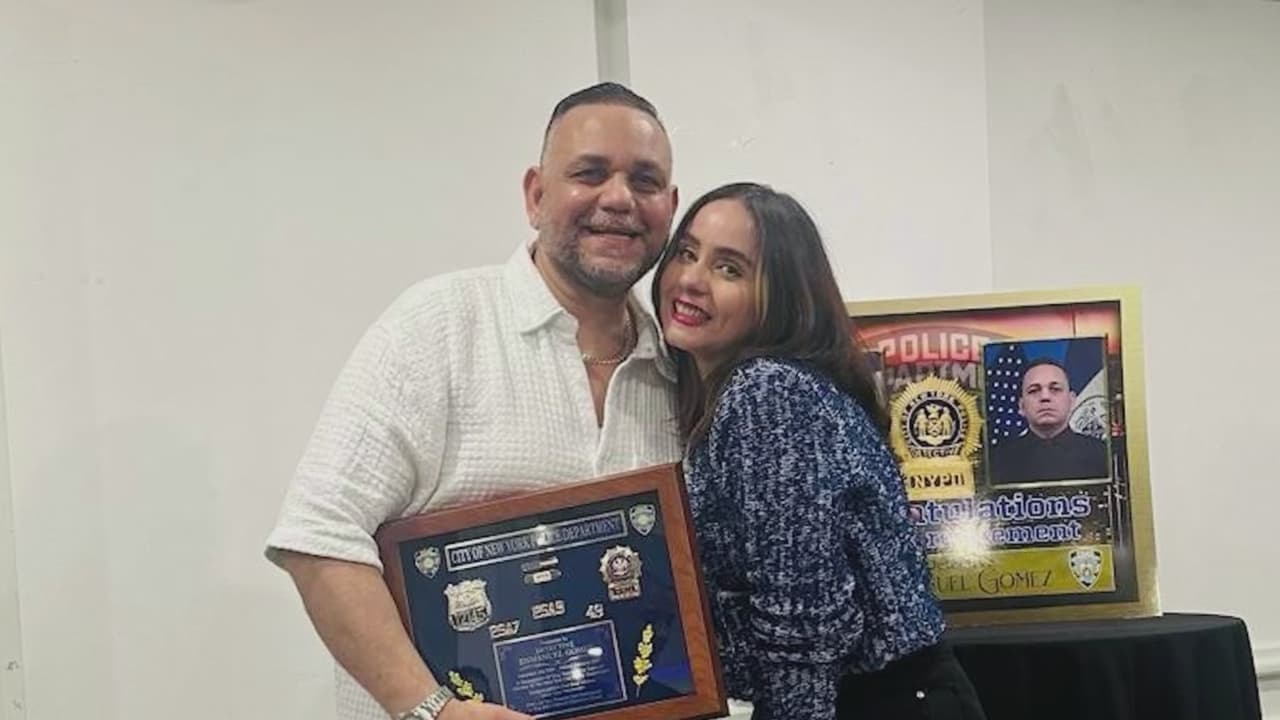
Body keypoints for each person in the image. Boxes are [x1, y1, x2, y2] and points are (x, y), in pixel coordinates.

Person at [264, 82, 682, 720]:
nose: (619, 198)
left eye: (645, 181)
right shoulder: (437, 326)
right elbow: (319, 537)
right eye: (590, 173)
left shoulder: (680, 371)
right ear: (536, 195)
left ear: (670, 207)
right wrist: (434, 710)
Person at [653, 182, 987, 720]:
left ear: (781, 295)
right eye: (687, 253)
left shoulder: (766, 392)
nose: (691, 279)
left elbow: (801, 623)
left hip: (873, 702)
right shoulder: (764, 387)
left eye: (729, 268)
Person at [989, 358, 1109, 484]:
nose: (1045, 397)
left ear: (1072, 401)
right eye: (1034, 390)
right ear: (1022, 406)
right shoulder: (996, 459)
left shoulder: (1102, 454)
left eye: (1055, 389)